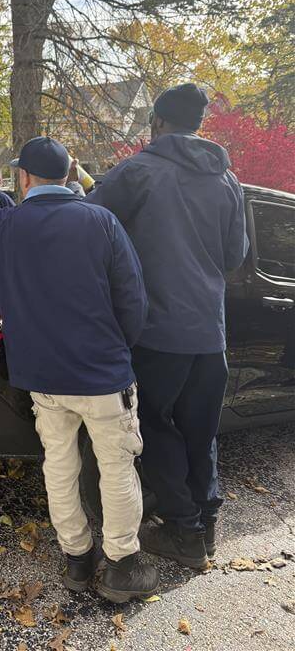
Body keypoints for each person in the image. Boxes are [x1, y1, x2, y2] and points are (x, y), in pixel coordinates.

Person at [0, 137, 159, 603]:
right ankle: (121, 566)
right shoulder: (101, 221)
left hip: (43, 377)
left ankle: (77, 558)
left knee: (60, 463)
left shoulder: (2, 223)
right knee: (115, 466)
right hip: (102, 374)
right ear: (69, 176)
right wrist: (118, 348)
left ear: (24, 178)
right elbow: (133, 301)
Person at [88, 83, 249, 569]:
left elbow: (90, 223)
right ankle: (207, 525)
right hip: (209, 331)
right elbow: (234, 256)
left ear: (157, 122)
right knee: (202, 430)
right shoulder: (228, 180)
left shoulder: (138, 171)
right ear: (198, 125)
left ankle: (184, 530)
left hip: (157, 331)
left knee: (155, 426)